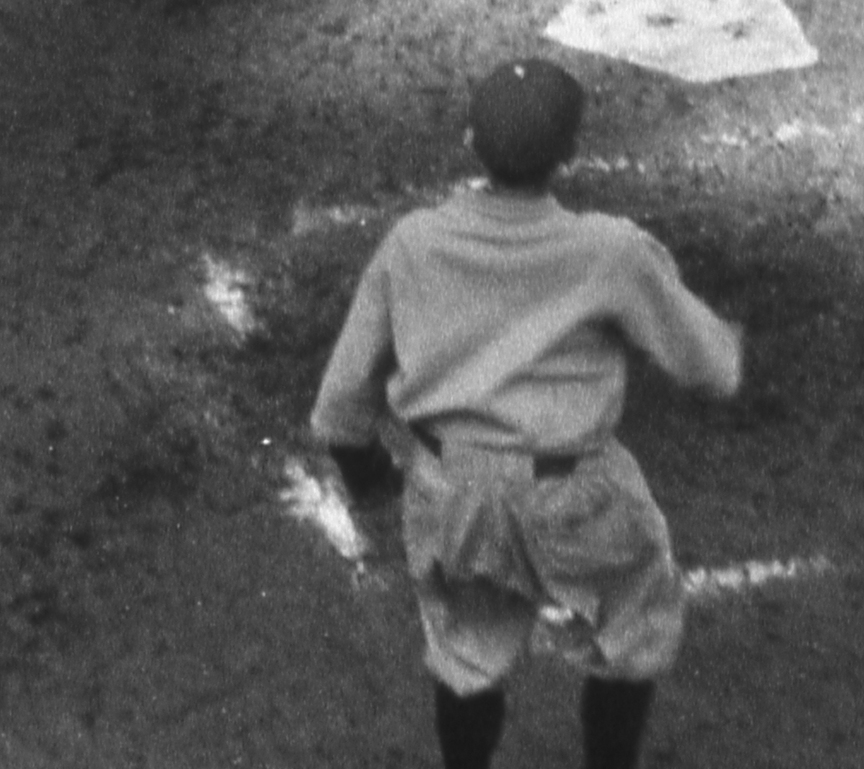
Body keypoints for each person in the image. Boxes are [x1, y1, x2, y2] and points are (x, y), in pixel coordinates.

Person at [311, 58, 742, 769]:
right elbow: (711, 369)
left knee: (465, 652)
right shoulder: (610, 250)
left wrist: (368, 474)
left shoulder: (412, 242)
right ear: (571, 152)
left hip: (451, 495)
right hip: (576, 494)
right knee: (635, 624)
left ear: (469, 141)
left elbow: (339, 404)